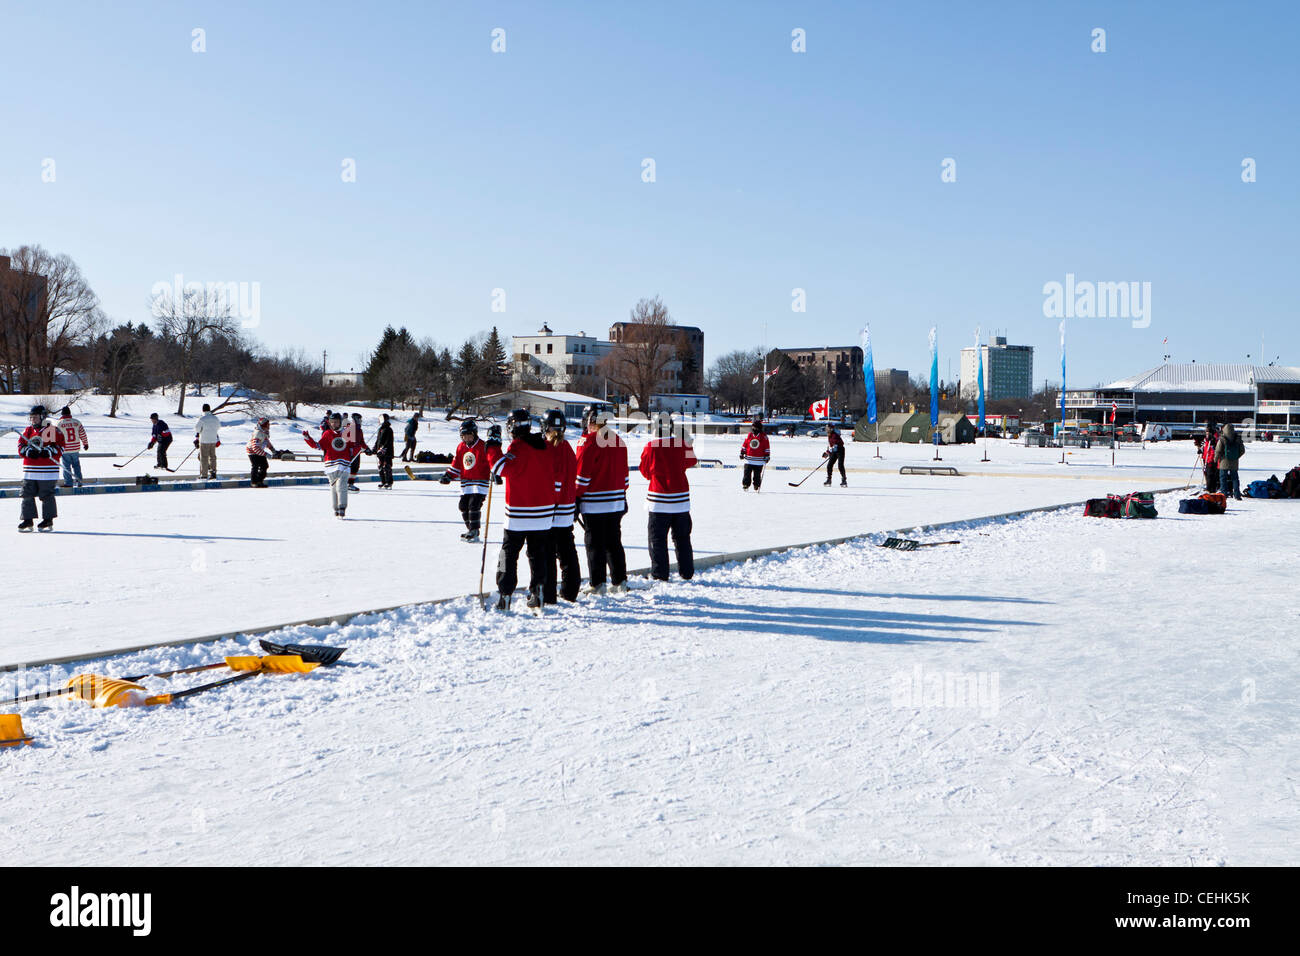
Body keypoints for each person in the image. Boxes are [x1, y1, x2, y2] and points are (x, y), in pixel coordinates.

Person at [491, 409, 555, 610]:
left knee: (507, 554)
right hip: (544, 512)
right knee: (538, 554)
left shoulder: (518, 447)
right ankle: (538, 590)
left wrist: (492, 446)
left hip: (519, 512)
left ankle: (505, 594)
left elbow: (499, 466)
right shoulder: (544, 446)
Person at [575, 405, 629, 594]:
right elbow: (625, 478)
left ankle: (597, 584)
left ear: (589, 420)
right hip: (616, 502)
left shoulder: (588, 442)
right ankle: (620, 581)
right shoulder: (618, 440)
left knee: (595, 545)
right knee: (614, 542)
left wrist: (575, 497)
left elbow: (581, 476)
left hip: (594, 503)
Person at [639, 411, 696, 582]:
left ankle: (660, 573)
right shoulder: (681, 444)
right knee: (683, 538)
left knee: (657, 540)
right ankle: (687, 572)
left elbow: (644, 470)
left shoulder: (651, 446)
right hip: (681, 500)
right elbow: (691, 461)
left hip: (658, 499)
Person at [543, 409, 581, 603]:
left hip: (553, 508)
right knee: (567, 551)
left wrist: (550, 504)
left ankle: (549, 592)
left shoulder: (551, 448)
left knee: (549, 553)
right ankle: (570, 590)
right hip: (567, 506)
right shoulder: (567, 447)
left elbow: (555, 482)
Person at [302, 412, 362, 517]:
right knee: (333, 487)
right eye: (332, 422)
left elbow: (353, 447)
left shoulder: (346, 433)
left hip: (344, 464)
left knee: (342, 485)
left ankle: (342, 507)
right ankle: (336, 508)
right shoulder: (327, 434)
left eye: (336, 422)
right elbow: (318, 446)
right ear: (329, 423)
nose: (334, 424)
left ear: (340, 422)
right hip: (331, 465)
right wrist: (308, 438)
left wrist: (359, 448)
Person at [441, 420, 491, 541]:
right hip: (466, 484)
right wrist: (448, 475)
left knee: (474, 505)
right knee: (463, 506)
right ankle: (471, 529)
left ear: (474, 434)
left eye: (469, 434)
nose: (466, 438)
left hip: (480, 483)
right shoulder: (461, 447)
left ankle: (474, 530)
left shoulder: (483, 446)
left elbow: (492, 461)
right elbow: (457, 464)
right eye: (464, 435)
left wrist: (495, 472)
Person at [17, 405, 63, 532]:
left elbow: (60, 447)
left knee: (46, 495)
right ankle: (27, 519)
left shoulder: (52, 430)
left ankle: (48, 520)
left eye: (35, 417)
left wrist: (48, 451)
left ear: (43, 417)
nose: (33, 420)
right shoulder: (28, 431)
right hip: (29, 471)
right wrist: (27, 452)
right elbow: (20, 445)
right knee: (26, 494)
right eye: (31, 418)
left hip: (47, 472)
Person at [56, 406, 89, 488]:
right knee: (76, 465)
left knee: (66, 466)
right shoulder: (77, 422)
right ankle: (79, 481)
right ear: (70, 413)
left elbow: (56, 437)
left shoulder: (59, 423)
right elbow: (82, 434)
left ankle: (68, 483)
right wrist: (85, 444)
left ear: (62, 414)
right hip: (75, 448)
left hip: (65, 449)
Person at [740, 415, 770, 491]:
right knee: (747, 473)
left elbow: (767, 447)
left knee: (757, 475)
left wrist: (767, 456)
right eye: (753, 427)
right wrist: (742, 452)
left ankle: (756, 485)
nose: (753, 429)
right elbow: (745, 444)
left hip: (759, 460)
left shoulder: (764, 436)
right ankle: (746, 484)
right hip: (749, 459)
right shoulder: (750, 435)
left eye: (755, 427)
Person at [1215, 423, 1245, 501]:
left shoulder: (1222, 438)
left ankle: (1224, 494)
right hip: (1234, 462)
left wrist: (1215, 459)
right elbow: (1242, 450)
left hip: (1223, 462)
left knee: (1223, 478)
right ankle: (1237, 495)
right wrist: (1236, 457)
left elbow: (1218, 450)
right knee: (1235, 478)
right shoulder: (1237, 438)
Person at [245, 417, 277, 487]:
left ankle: (259, 481)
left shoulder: (265, 432)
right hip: (252, 451)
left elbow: (266, 441)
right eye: (268, 425)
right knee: (255, 466)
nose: (269, 426)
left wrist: (272, 449)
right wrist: (266, 454)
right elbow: (255, 448)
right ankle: (254, 482)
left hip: (259, 450)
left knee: (265, 465)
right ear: (263, 425)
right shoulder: (257, 433)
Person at [194, 404, 221, 479]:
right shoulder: (215, 418)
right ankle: (213, 472)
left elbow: (197, 429)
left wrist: (202, 431)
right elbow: (219, 427)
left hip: (204, 440)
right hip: (213, 440)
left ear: (203, 410)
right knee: (213, 457)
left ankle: (204, 474)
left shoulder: (202, 418)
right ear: (209, 409)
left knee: (204, 457)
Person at [347, 413, 371, 492]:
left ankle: (351, 483)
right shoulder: (349, 428)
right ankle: (346, 483)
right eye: (359, 419)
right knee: (348, 468)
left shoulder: (359, 430)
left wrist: (367, 449)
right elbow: (345, 441)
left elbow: (361, 442)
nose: (361, 421)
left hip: (357, 453)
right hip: (350, 453)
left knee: (355, 468)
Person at [373, 414, 395, 488]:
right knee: (380, 467)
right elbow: (378, 440)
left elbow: (388, 441)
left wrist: (383, 449)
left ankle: (389, 482)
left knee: (387, 466)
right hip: (380, 452)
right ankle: (383, 481)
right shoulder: (380, 429)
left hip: (387, 452)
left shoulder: (388, 429)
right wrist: (375, 448)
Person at [823, 422, 847, 487]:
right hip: (834, 451)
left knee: (840, 465)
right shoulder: (829, 435)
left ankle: (844, 480)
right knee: (829, 465)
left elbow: (837, 445)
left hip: (840, 450)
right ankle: (829, 480)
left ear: (831, 429)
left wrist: (829, 452)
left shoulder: (834, 435)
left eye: (827, 428)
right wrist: (827, 452)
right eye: (826, 428)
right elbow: (831, 446)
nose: (826, 429)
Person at [1201, 424, 1219, 493]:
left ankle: (1211, 488)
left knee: (1210, 474)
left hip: (1211, 460)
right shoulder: (1206, 439)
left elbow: (1213, 451)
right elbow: (1205, 447)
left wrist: (1211, 460)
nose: (1207, 433)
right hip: (1206, 458)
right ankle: (1209, 487)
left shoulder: (1214, 439)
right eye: (1206, 432)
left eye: (1208, 432)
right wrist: (1201, 450)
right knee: (1207, 473)